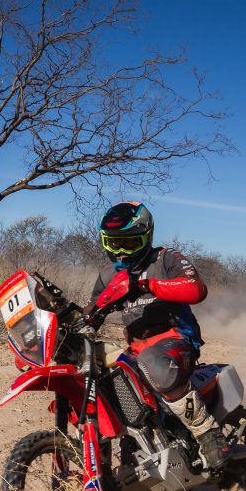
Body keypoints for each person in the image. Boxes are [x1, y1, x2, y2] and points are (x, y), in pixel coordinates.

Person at [85, 201, 228, 470]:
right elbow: (92, 312)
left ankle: (207, 432)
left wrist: (145, 285)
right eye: (113, 243)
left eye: (128, 243)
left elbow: (196, 289)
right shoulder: (108, 276)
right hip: (137, 349)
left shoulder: (166, 258)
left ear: (146, 235)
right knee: (106, 377)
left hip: (175, 338)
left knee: (153, 361)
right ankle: (132, 444)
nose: (121, 251)